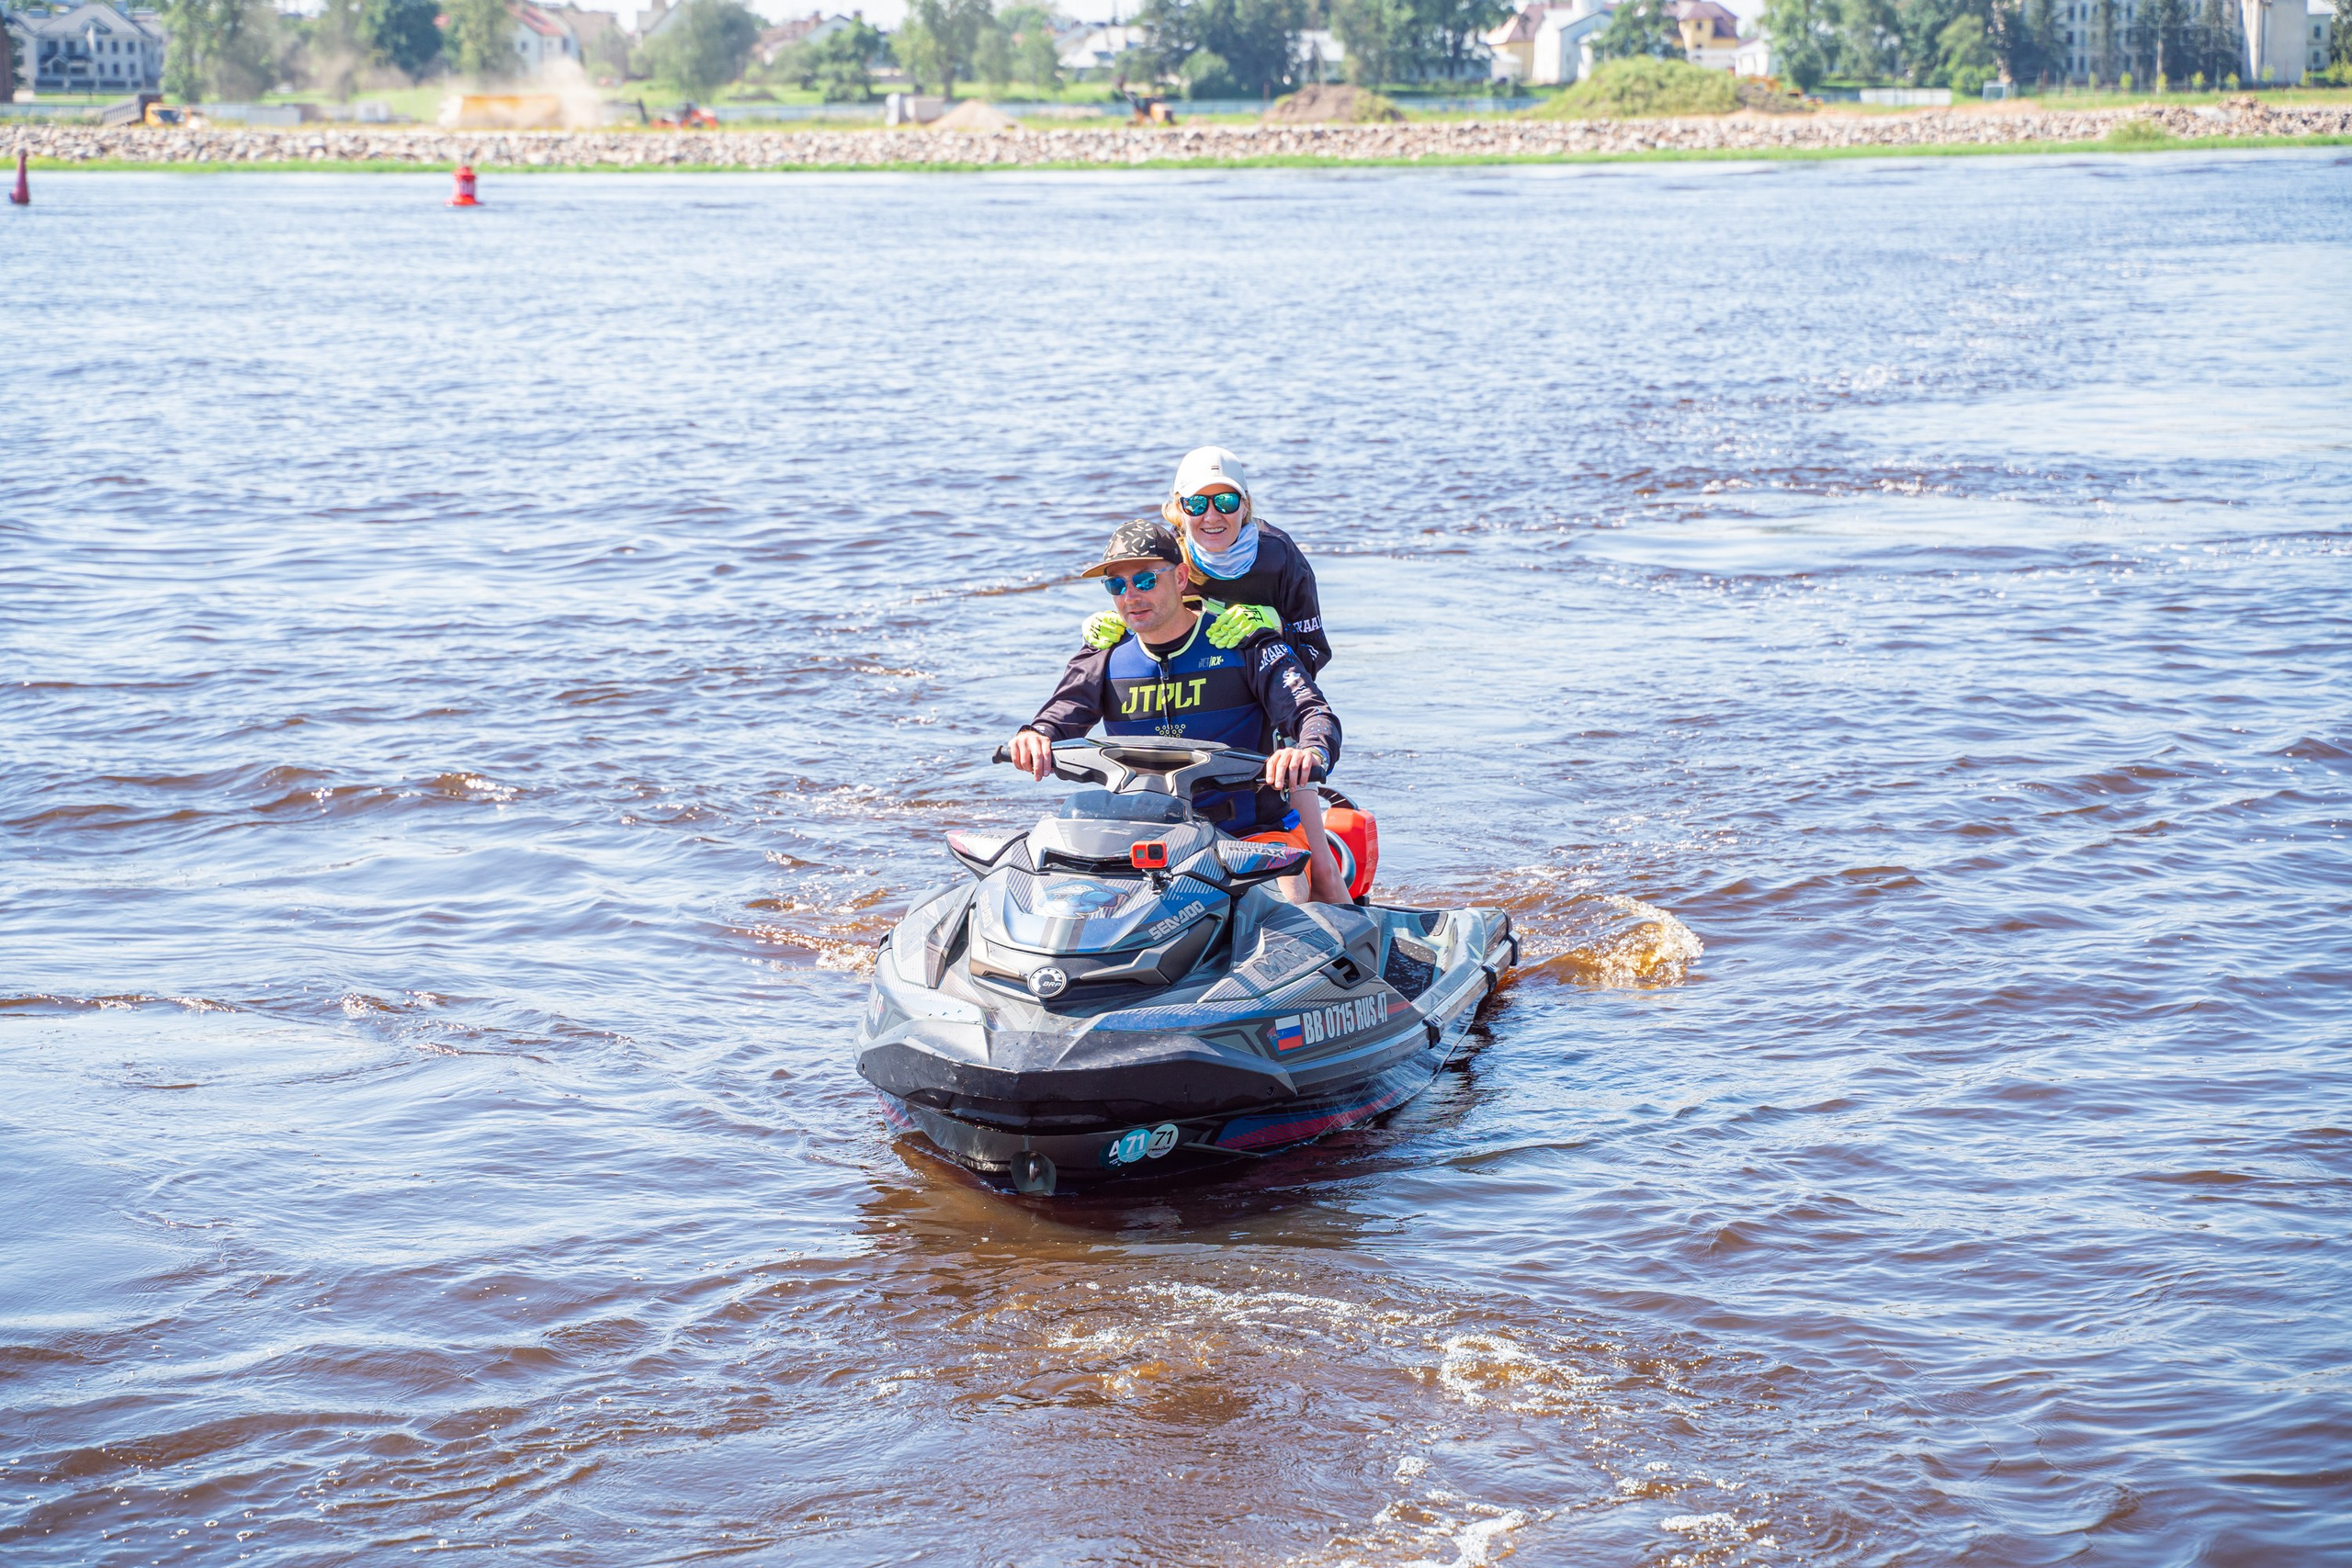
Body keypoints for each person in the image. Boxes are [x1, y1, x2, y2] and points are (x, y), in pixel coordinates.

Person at [1011, 520, 1351, 906]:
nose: (1131, 596)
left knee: (1288, 895)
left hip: (1248, 835)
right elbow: (1057, 717)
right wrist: (1034, 735)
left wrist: (1309, 751)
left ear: (1182, 577)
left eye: (1145, 580)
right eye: (1116, 585)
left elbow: (1314, 714)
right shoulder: (1104, 656)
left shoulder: (1244, 644)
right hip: (1142, 837)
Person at [1079, 446, 1332, 676]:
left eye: (1226, 502)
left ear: (1245, 505)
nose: (1211, 517)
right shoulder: (1166, 555)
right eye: (1196, 504)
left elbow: (1315, 655)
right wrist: (1114, 626)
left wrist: (1275, 623)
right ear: (1179, 508)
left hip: (1265, 685)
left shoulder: (1280, 555)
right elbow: (1143, 616)